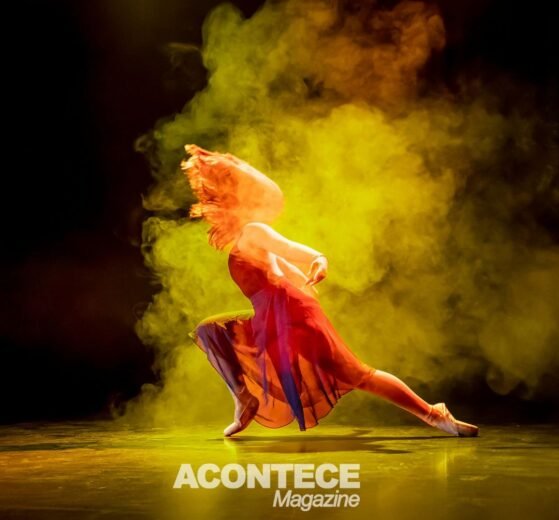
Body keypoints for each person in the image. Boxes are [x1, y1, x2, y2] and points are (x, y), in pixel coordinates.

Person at [181, 144, 479, 438]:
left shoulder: (254, 231)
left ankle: (433, 413)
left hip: (290, 316)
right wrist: (304, 282)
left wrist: (317, 258)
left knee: (358, 375)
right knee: (212, 331)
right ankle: (244, 400)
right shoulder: (247, 239)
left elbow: (289, 249)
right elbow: (287, 270)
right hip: (274, 316)